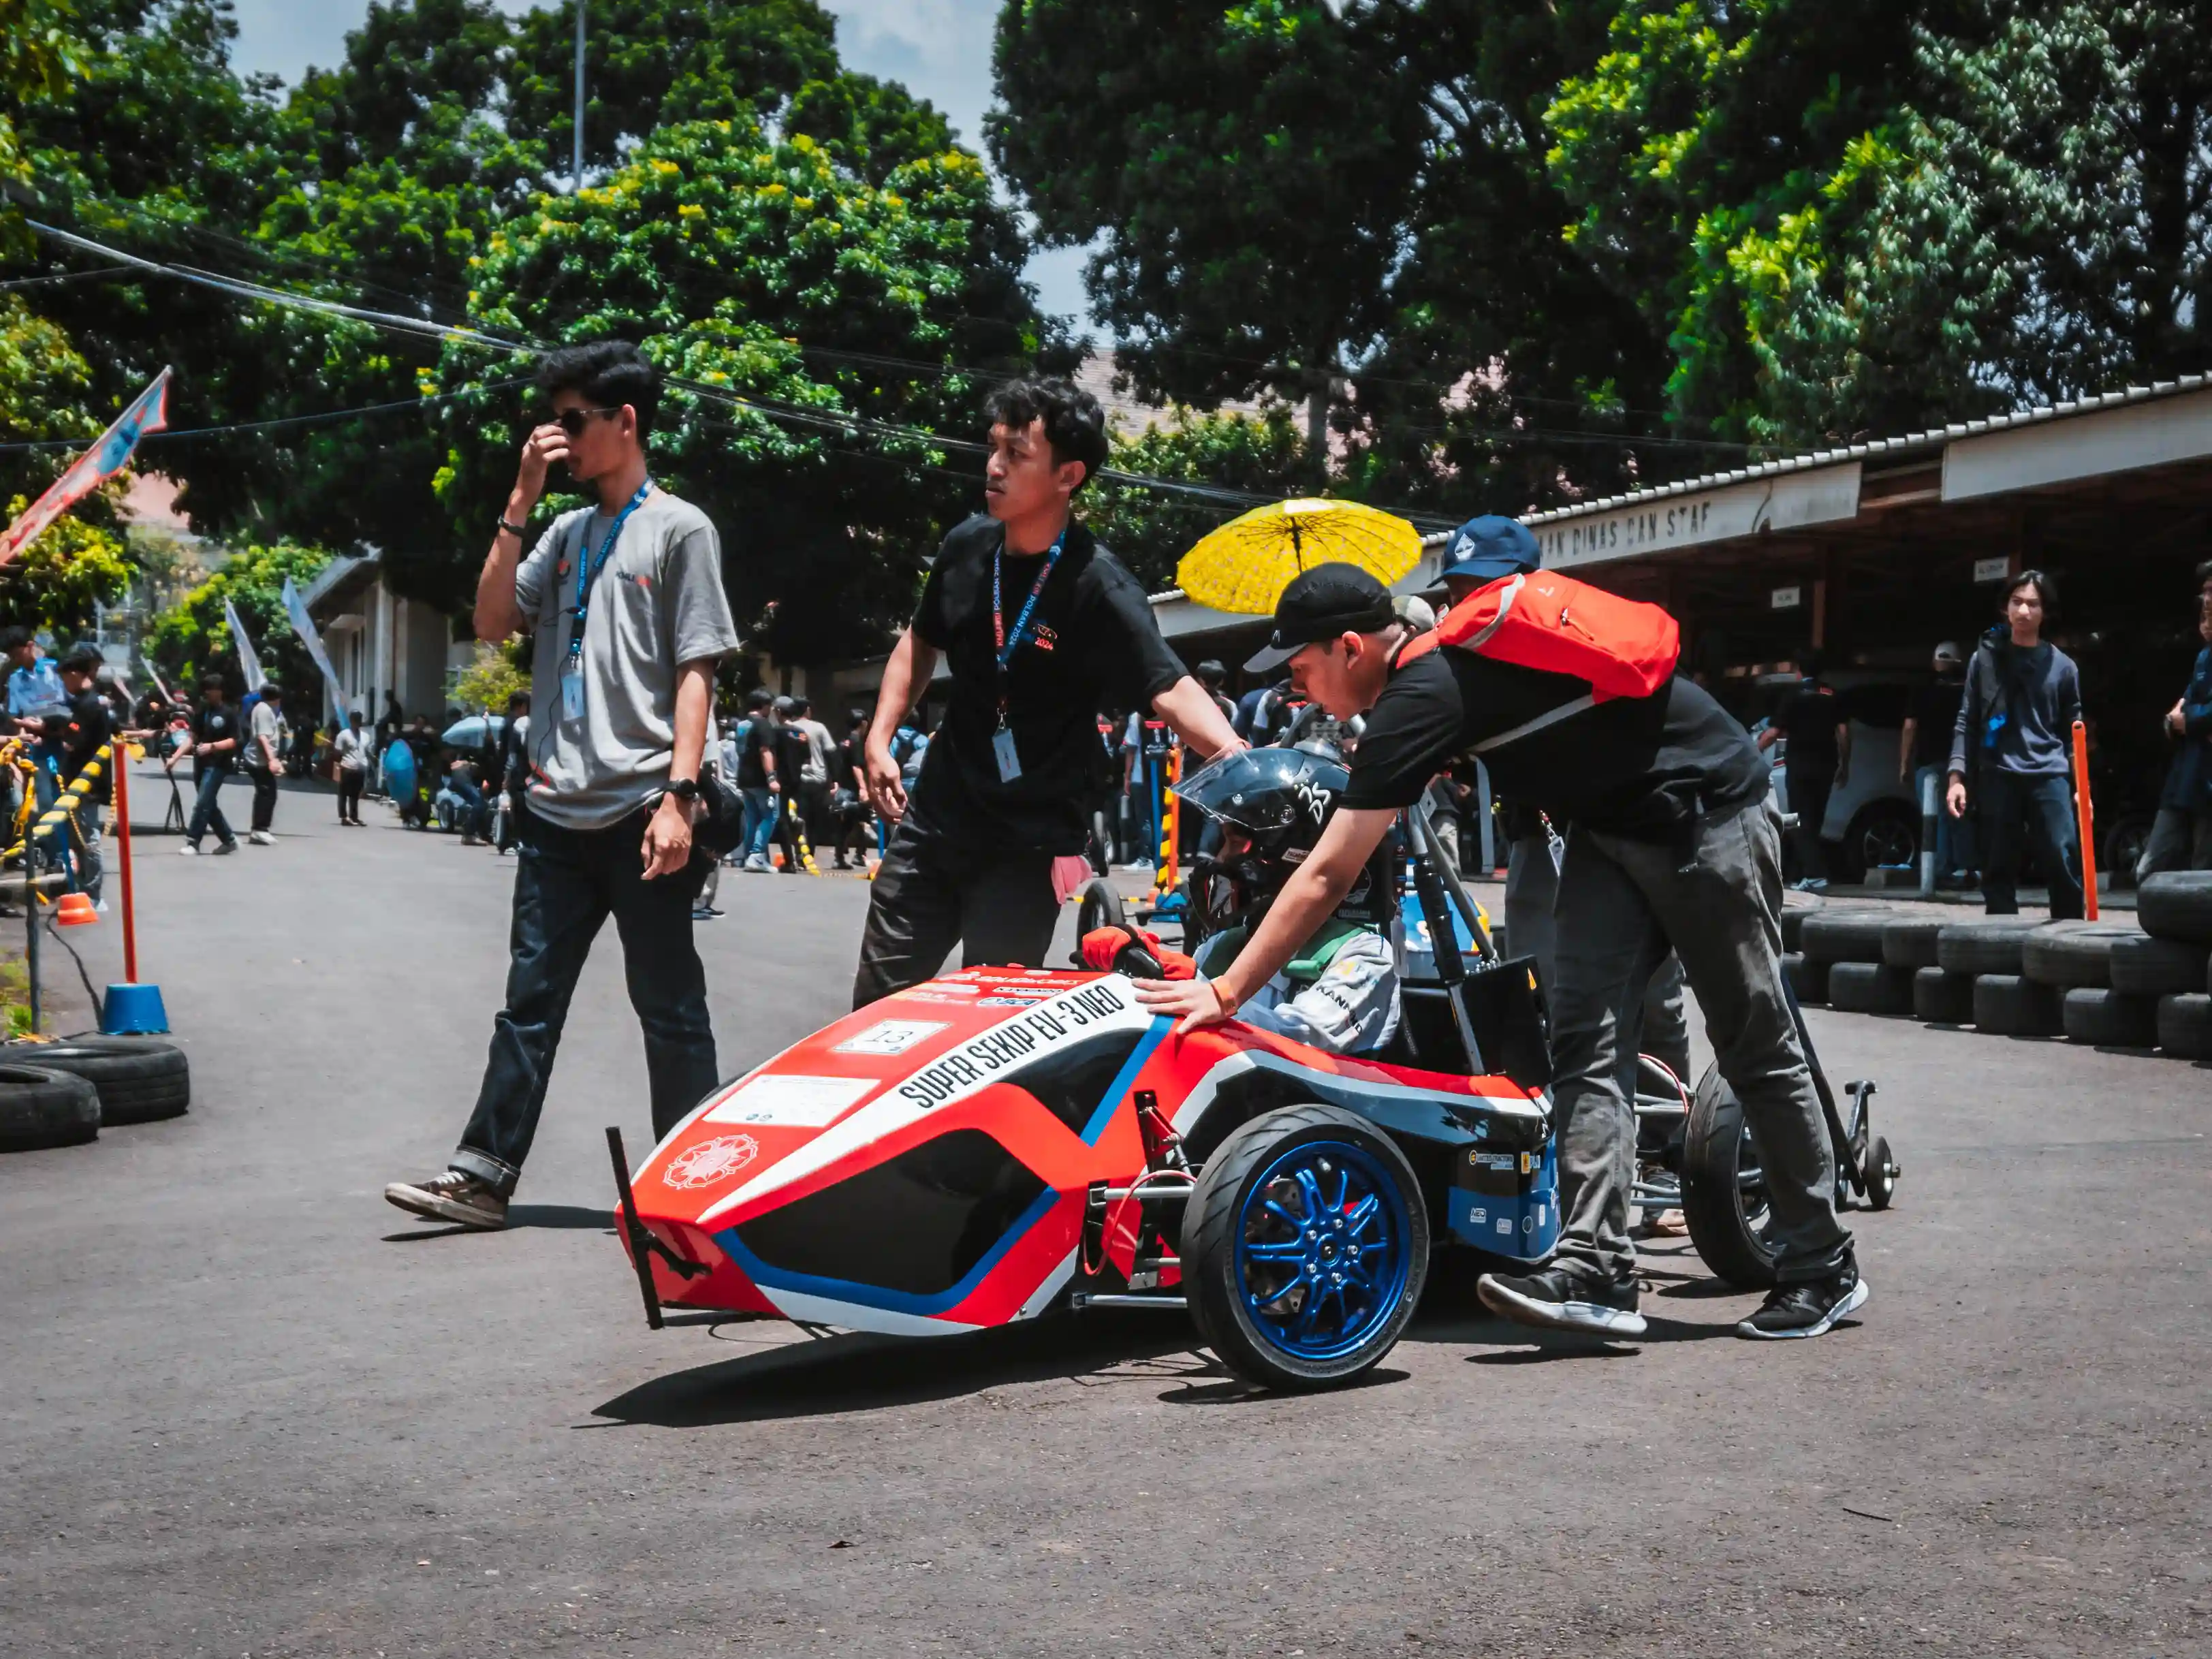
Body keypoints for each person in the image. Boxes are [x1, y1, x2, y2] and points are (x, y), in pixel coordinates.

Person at [1136, 565, 1864, 1342]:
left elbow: (1327, 868)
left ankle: (1820, 1267)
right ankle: (1597, 1268)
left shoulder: (1424, 690)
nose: (1296, 688)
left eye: (1301, 667)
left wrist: (1225, 992)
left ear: (1350, 647)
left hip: (1705, 808)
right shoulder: (1419, 685)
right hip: (1605, 827)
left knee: (1750, 1038)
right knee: (1585, 1041)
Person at [385, 338, 740, 1231]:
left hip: (640, 807)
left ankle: (692, 1196)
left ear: (626, 423)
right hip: (551, 813)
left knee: (670, 1008)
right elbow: (495, 621)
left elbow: (698, 668)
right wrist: (518, 502)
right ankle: (482, 1179)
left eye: (574, 422)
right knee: (528, 1005)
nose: (559, 437)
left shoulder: (681, 529)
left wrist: (680, 797)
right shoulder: (563, 534)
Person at [854, 379, 1242, 1007]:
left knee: (986, 1016)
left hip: (1028, 842)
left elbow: (1168, 684)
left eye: (1015, 453)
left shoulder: (1100, 586)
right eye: (992, 449)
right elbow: (919, 642)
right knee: (880, 1006)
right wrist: (879, 736)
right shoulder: (966, 547)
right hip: (936, 818)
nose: (994, 467)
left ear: (1069, 475)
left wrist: (1241, 762)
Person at [1110, 745, 1400, 1055]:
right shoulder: (1224, 945)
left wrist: (1214, 997)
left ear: (1293, 856)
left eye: (1235, 843)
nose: (1221, 858)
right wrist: (1139, 969)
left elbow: (1301, 1038)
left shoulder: (1365, 956)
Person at [1947, 569, 2085, 919]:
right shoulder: (1986, 660)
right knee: (1997, 865)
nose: (2024, 612)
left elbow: (2075, 730)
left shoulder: (2064, 667)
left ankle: (2070, 939)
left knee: (2063, 855)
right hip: (1999, 771)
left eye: (2033, 605)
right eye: (2017, 602)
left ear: (2045, 612)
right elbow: (1968, 719)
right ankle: (2000, 944)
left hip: (2049, 773)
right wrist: (1956, 777)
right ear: (2005, 607)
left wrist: (2082, 787)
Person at [2138, 565, 2212, 879]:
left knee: (2203, 871)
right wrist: (2181, 723)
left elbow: (2189, 714)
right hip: (2186, 778)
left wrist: (2190, 721)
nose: (2207, 601)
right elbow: (2177, 712)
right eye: (2206, 594)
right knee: (2149, 869)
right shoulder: (2204, 658)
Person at [1757, 650, 1848, 891]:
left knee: (1799, 820)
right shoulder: (1831, 694)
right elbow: (1844, 732)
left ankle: (1816, 875)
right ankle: (1802, 876)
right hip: (1827, 764)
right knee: (1815, 819)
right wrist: (1844, 763)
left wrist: (1753, 752)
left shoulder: (1792, 695)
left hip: (1800, 764)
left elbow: (1774, 732)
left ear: (1799, 671)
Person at [1899, 641, 1974, 885]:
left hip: (1929, 761)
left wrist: (1903, 764)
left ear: (1935, 662)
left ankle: (1939, 871)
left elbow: (1910, 727)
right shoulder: (1968, 689)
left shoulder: (1922, 689)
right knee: (1960, 814)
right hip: (1962, 762)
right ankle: (1963, 867)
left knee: (1934, 816)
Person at [53, 644, 111, 902]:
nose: (64, 684)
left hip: (86, 783)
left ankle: (94, 894)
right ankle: (81, 888)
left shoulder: (90, 705)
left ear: (76, 674)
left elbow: (73, 741)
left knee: (88, 838)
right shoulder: (84, 702)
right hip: (76, 781)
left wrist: (51, 733)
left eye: (65, 678)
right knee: (78, 838)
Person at [170, 674, 241, 856]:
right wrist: (175, 758)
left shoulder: (229, 713)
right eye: (206, 690)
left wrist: (213, 747)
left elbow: (235, 741)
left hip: (218, 764)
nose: (208, 693)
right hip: (201, 763)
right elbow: (192, 737)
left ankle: (193, 841)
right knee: (209, 804)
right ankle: (229, 840)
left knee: (202, 802)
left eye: (211, 689)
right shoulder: (202, 711)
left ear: (220, 691)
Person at [793, 694, 838, 856]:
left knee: (798, 817)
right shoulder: (819, 728)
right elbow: (831, 753)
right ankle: (809, 853)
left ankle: (798, 852)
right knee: (814, 820)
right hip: (818, 779)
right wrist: (834, 779)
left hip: (797, 780)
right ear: (808, 710)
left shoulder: (790, 728)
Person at [241, 681, 285, 845]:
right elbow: (263, 737)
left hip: (259, 759)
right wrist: (272, 759)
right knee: (266, 793)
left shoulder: (262, 709)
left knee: (266, 792)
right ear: (276, 698)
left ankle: (259, 829)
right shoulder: (265, 711)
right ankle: (260, 829)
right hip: (259, 760)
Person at [493, 692, 530, 853]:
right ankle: (515, 841)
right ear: (522, 706)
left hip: (511, 772)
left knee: (511, 807)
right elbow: (512, 753)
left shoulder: (506, 723)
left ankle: (506, 841)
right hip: (519, 773)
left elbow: (502, 753)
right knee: (517, 808)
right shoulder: (519, 725)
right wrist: (508, 775)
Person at [331, 709, 373, 825]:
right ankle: (344, 817)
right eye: (355, 719)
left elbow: (367, 751)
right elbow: (337, 751)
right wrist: (338, 766)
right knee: (343, 793)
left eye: (359, 719)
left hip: (361, 768)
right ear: (351, 720)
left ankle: (354, 817)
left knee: (355, 794)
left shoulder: (366, 736)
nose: (357, 722)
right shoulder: (343, 735)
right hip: (347, 767)